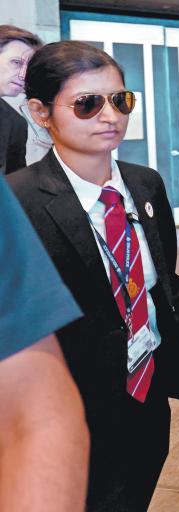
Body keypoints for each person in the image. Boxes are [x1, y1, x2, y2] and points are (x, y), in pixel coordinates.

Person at [8, 41, 179, 511]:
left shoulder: (145, 183)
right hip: (71, 404)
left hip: (146, 390)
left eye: (120, 100)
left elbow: (164, 285)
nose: (109, 116)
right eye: (87, 104)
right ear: (40, 111)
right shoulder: (17, 202)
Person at [0, 176, 88, 511]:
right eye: (86, 116)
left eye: (126, 116)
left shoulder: (145, 186)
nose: (109, 119)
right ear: (44, 119)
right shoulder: (25, 191)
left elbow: (33, 410)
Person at [0, 25, 41, 175]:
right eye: (16, 63)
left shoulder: (16, 123)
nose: (23, 75)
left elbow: (13, 186)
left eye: (29, 68)